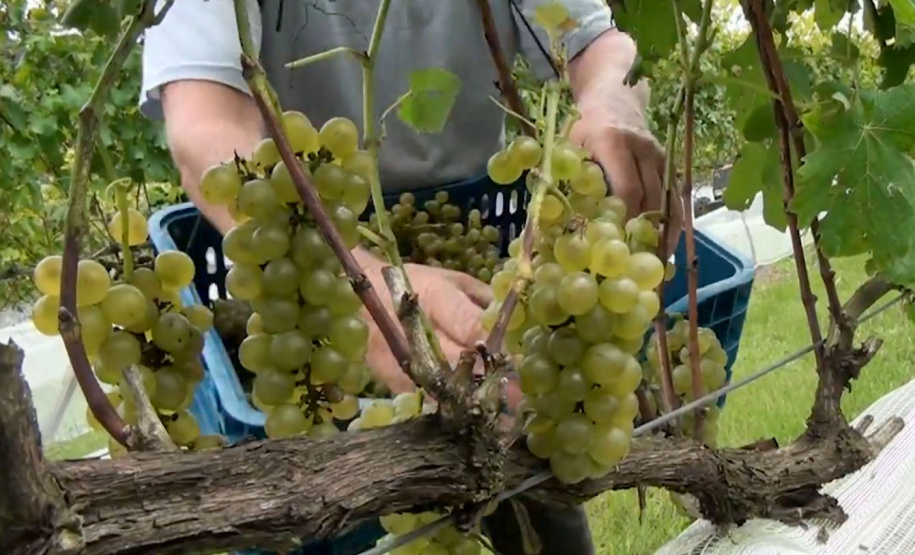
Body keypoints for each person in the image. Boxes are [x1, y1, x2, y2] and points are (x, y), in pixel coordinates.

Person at [140, 1, 680, 553]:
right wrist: (353, 286)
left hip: (471, 235)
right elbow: (205, 125)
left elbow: (590, 41)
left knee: (531, 455)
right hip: (315, 240)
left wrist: (609, 90)